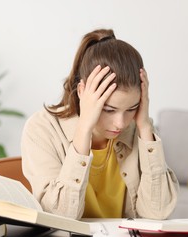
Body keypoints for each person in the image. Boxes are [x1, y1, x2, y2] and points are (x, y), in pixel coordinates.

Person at [21, 28, 179, 220]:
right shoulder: (42, 129)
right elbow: (60, 218)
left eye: (131, 108)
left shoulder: (139, 128)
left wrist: (145, 127)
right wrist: (84, 129)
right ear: (82, 91)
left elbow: (157, 213)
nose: (120, 123)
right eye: (109, 110)